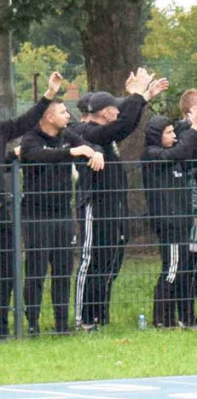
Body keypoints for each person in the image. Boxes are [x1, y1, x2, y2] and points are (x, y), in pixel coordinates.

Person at [72, 69, 168, 329]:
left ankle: (99, 317)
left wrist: (143, 96)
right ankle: (83, 319)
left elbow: (125, 118)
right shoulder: (87, 131)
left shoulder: (104, 129)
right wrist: (136, 95)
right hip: (96, 206)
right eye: (114, 108)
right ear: (104, 113)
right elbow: (124, 124)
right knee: (92, 261)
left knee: (110, 263)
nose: (118, 109)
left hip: (114, 206)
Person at [19, 97, 103, 335]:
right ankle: (33, 323)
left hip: (63, 213)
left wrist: (96, 153)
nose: (68, 115)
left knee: (63, 269)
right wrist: (72, 152)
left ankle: (61, 324)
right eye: (63, 112)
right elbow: (36, 155)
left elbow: (89, 145)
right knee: (36, 271)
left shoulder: (67, 135)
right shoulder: (31, 137)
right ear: (48, 116)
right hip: (36, 214)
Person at [0, 72, 62, 339]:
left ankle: (2, 326)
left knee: (7, 270)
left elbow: (25, 122)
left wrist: (49, 94)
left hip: (3, 210)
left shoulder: (3, 129)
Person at [141, 111, 197, 328]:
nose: (174, 136)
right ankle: (162, 319)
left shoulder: (175, 157)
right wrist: (195, 127)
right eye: (168, 133)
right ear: (156, 135)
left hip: (183, 221)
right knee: (172, 269)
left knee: (185, 271)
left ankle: (186, 317)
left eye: (173, 131)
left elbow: (188, 153)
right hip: (169, 223)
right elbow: (181, 151)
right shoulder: (152, 154)